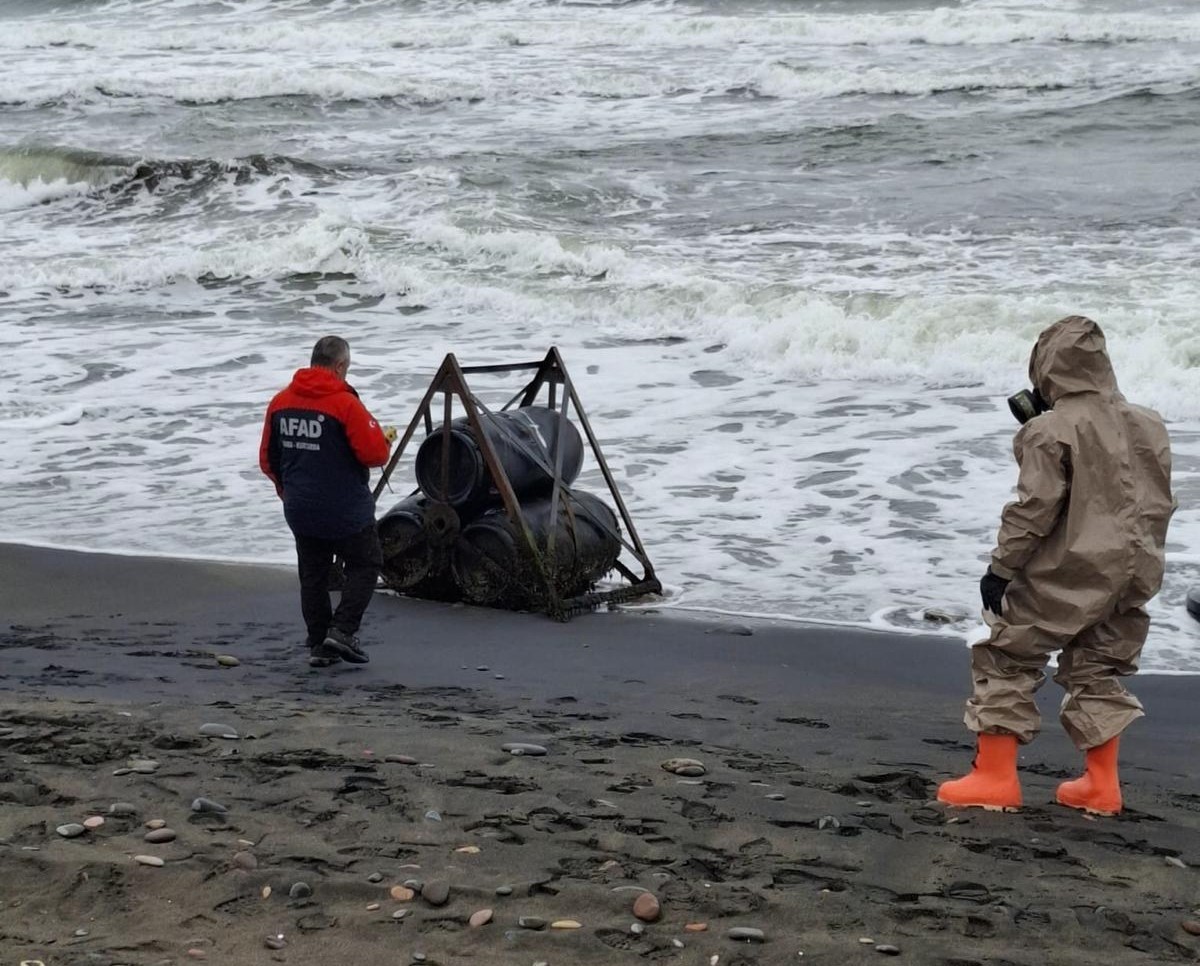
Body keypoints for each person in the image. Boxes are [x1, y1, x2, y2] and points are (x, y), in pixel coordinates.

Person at [938, 316, 1174, 815]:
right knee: (1098, 666)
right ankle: (1101, 786)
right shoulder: (1149, 423)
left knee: (1008, 655)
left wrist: (1001, 569)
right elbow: (1156, 503)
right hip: (1135, 568)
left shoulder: (1049, 429)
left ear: (1047, 369)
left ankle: (995, 779)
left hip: (1071, 565)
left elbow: (1034, 509)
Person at [259, 336, 393, 668]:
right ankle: (342, 631)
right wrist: (384, 440)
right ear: (340, 366)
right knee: (366, 563)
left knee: (313, 575)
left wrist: (287, 491)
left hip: (301, 507)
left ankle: (320, 645)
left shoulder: (280, 402)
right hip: (345, 508)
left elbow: (268, 459)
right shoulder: (345, 404)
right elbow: (374, 454)